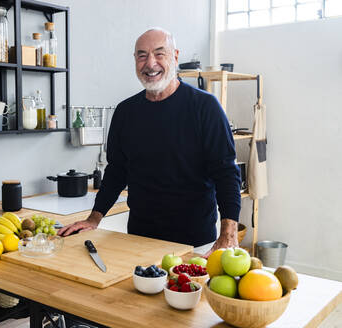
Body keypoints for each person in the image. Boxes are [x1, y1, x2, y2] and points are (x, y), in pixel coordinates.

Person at [58, 28, 241, 257]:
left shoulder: (205, 107)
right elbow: (116, 171)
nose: (150, 63)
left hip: (194, 242)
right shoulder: (126, 112)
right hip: (139, 238)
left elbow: (226, 172)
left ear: (175, 57)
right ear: (135, 60)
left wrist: (228, 234)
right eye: (142, 55)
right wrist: (94, 218)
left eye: (159, 53)